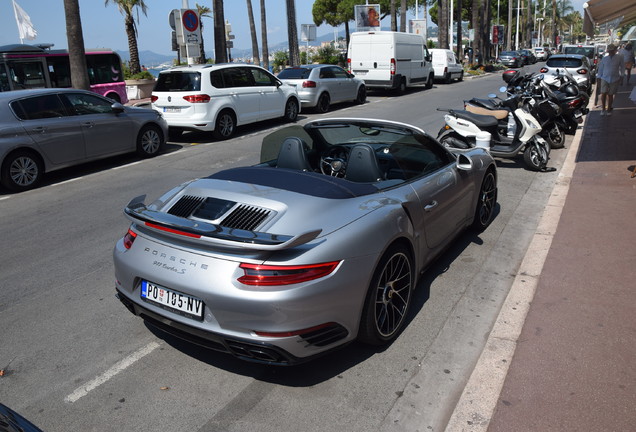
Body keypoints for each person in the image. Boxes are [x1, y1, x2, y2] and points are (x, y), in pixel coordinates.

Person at [596, 43, 624, 116]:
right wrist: (598, 78)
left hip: (615, 78)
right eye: (610, 51)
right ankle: (603, 109)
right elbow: (601, 69)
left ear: (615, 51)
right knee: (603, 93)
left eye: (612, 51)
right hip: (604, 77)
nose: (611, 52)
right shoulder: (605, 58)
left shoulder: (619, 57)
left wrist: (622, 76)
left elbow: (622, 67)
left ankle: (609, 109)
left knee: (611, 94)